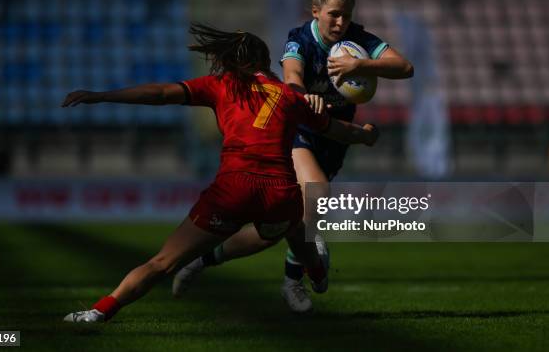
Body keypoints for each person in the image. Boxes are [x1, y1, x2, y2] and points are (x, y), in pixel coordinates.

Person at [60, 23, 379, 323]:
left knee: (163, 263)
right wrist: (365, 134)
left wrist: (103, 96)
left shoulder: (221, 85)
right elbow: (339, 131)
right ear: (265, 60)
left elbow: (159, 94)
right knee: (292, 226)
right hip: (279, 192)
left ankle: (98, 312)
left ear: (231, 61)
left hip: (233, 189)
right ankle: (316, 272)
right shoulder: (289, 96)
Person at [172, 0, 413, 313]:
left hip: (334, 138)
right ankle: (293, 281)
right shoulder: (299, 39)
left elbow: (405, 67)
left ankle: (202, 261)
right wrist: (304, 96)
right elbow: (292, 77)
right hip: (299, 131)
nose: (340, 22)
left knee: (275, 231)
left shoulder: (357, 40)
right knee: (316, 193)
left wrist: (361, 64)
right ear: (315, 11)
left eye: (345, 15)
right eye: (333, 14)